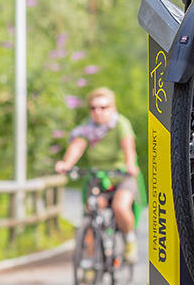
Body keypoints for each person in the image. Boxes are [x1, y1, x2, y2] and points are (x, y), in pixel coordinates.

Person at [54, 87, 140, 262]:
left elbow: (128, 147)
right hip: (99, 177)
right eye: (93, 108)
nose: (98, 112)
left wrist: (130, 164)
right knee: (91, 212)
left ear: (112, 108)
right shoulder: (88, 127)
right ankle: (90, 260)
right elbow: (77, 146)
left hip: (122, 175)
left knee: (120, 207)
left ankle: (129, 240)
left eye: (103, 107)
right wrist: (67, 164)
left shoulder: (120, 124)